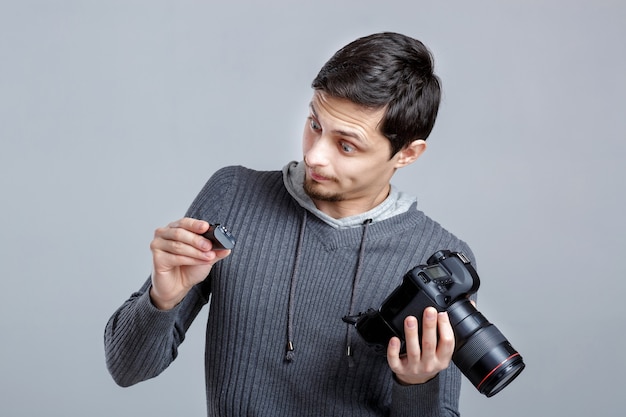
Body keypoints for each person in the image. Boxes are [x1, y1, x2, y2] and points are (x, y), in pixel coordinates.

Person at [104, 32, 475, 417]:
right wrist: (161, 301)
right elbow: (127, 369)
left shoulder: (438, 261)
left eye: (346, 145)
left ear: (407, 153)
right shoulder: (232, 195)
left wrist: (416, 385)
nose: (314, 155)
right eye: (315, 124)